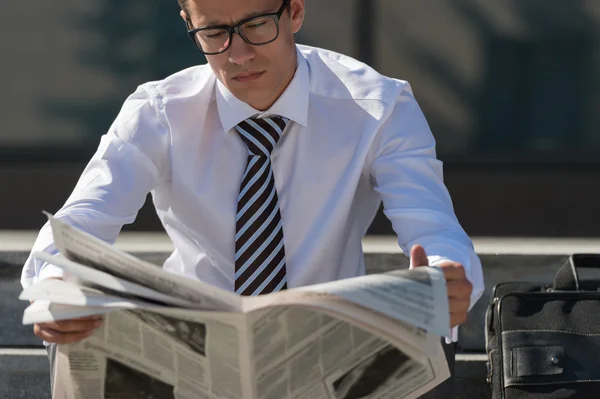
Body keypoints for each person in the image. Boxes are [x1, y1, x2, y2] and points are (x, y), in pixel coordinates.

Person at [21, 0, 484, 397]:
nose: (238, 54)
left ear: (295, 11)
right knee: (79, 336)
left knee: (429, 328)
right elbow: (81, 218)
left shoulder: (377, 105)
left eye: (257, 25)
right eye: (214, 32)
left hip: (330, 354)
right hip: (191, 354)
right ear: (189, 23)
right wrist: (57, 287)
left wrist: (446, 274)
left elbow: (432, 222)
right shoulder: (159, 111)